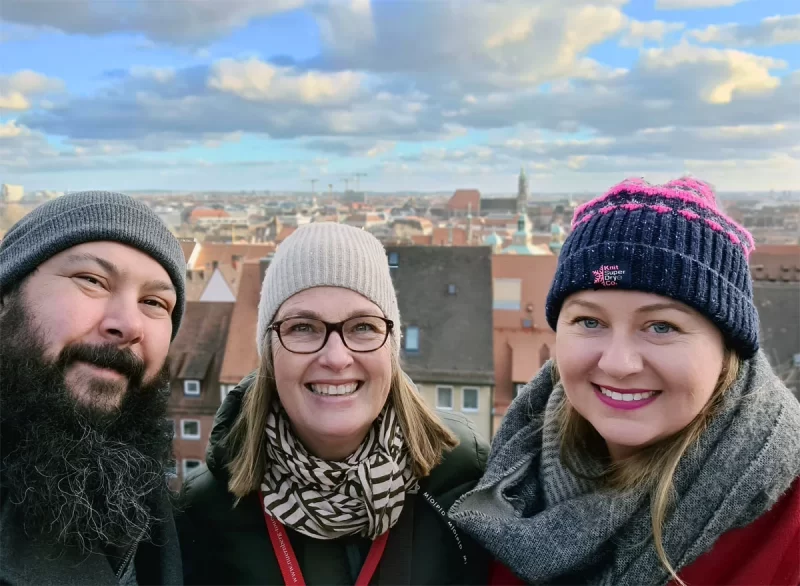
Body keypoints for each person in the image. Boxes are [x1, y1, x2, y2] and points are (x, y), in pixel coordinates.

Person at [450, 177, 800, 585]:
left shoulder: (788, 524)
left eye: (662, 326)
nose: (618, 363)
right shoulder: (511, 474)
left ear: (728, 350)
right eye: (589, 321)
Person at [177, 222, 491, 585]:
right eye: (302, 328)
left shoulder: (465, 477)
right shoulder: (204, 510)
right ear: (270, 353)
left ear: (390, 345)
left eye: (362, 327)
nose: (336, 357)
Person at [0, 191, 186, 585]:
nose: (129, 324)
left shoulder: (145, 497)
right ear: (6, 298)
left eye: (154, 302)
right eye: (92, 280)